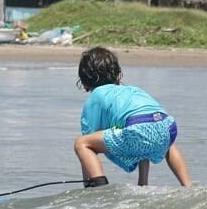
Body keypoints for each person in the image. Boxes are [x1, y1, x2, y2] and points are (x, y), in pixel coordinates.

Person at [74, 46, 192, 188]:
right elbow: (148, 123)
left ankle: (99, 189)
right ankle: (185, 186)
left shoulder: (97, 95)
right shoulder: (133, 90)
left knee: (81, 143)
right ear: (117, 73)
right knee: (160, 140)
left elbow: (88, 140)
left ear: (85, 79)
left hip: (137, 129)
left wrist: (87, 181)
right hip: (167, 127)